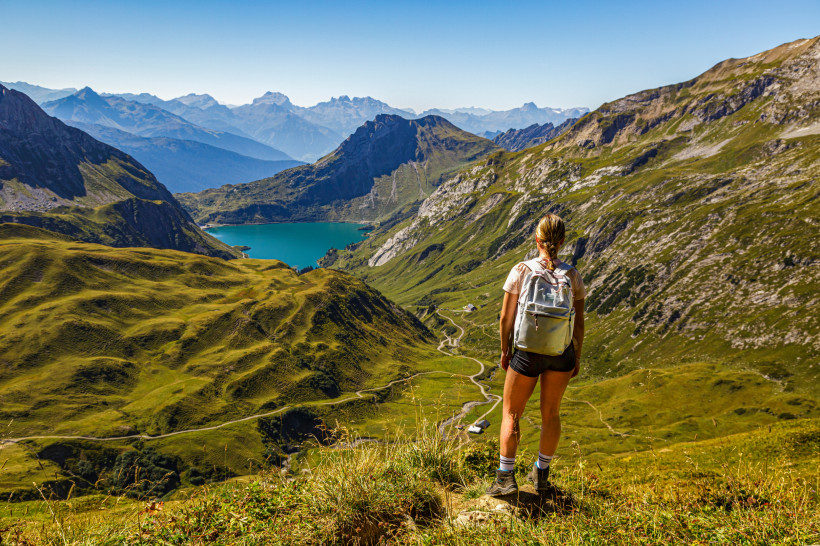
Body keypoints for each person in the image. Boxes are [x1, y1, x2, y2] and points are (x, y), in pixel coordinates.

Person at [486, 213, 585, 496]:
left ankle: (505, 477)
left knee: (512, 412)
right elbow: (578, 322)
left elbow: (506, 316)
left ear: (537, 239)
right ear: (563, 241)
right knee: (551, 414)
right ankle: (541, 477)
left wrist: (506, 349)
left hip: (526, 353)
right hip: (561, 353)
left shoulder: (521, 270)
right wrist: (575, 356)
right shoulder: (573, 276)